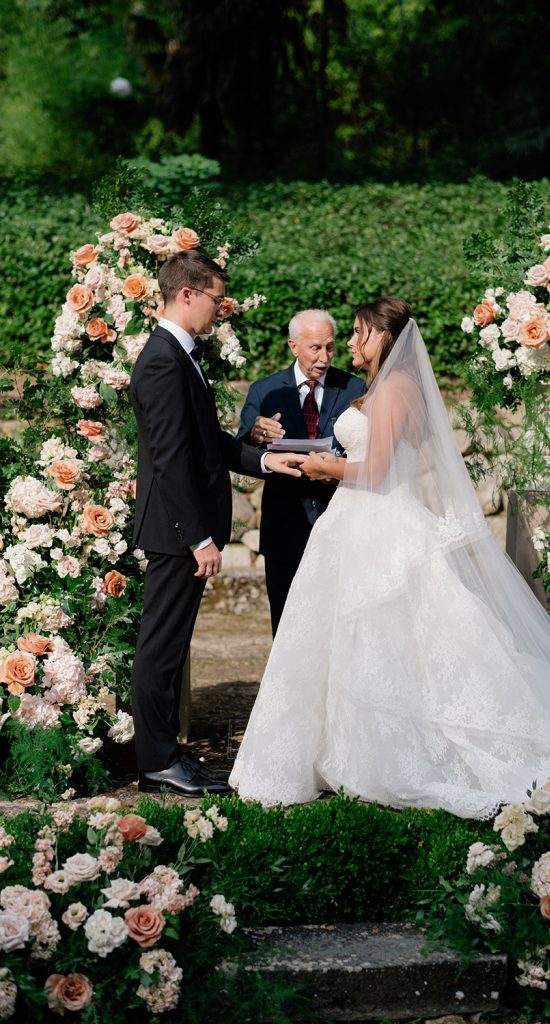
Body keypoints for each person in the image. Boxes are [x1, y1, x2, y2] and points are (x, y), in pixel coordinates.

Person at [230, 296, 550, 827]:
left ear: (382, 337)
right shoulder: (380, 387)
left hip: (379, 524)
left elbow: (375, 471)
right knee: (350, 641)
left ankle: (400, 751)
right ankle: (341, 749)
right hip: (354, 526)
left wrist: (326, 466)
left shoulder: (395, 387)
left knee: (394, 640)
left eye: (357, 333)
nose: (349, 343)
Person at [130, 250, 304, 797]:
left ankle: (167, 755)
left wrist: (262, 458)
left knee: (173, 644)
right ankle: (156, 763)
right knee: (160, 649)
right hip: (175, 532)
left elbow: (207, 445)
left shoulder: (182, 355)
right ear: (187, 294)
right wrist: (199, 537)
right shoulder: (162, 360)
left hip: (180, 529)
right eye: (216, 299)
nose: (220, 310)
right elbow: (171, 458)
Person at [237, 309, 364, 634]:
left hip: (339, 520)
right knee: (286, 621)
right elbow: (241, 452)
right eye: (315, 348)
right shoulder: (264, 391)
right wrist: (254, 434)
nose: (324, 357)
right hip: (285, 525)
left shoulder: (354, 388)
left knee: (340, 622)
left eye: (331, 348)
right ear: (293, 346)